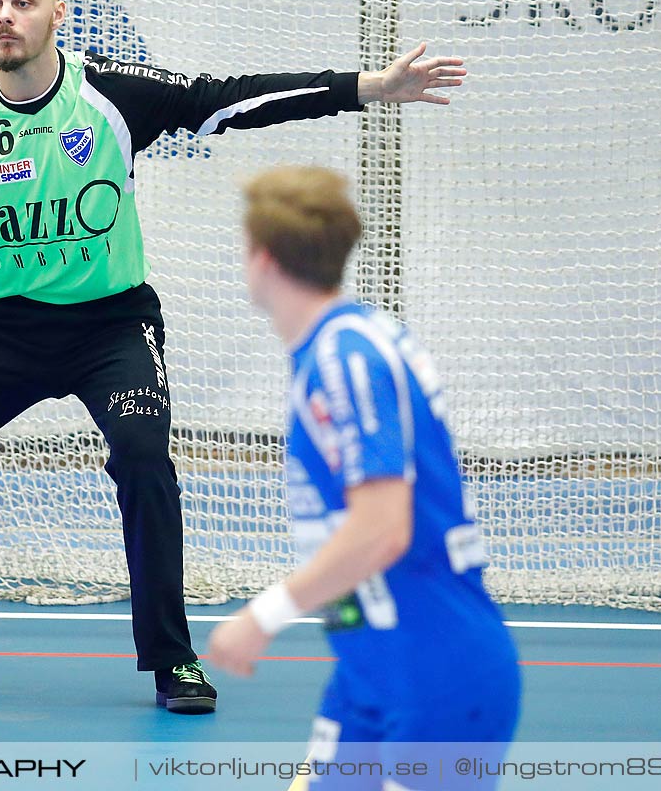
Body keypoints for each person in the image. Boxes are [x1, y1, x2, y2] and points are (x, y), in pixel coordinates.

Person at [0, 0, 466, 713]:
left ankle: (172, 661)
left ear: (59, 17)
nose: (5, 17)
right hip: (3, 334)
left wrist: (369, 88)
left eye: (23, 2)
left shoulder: (109, 97)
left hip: (111, 327)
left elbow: (229, 100)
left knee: (144, 456)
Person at [206, 166, 521, 789]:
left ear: (262, 259)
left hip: (435, 675)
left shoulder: (346, 358)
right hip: (370, 668)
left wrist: (262, 616)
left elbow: (383, 531)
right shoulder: (340, 346)